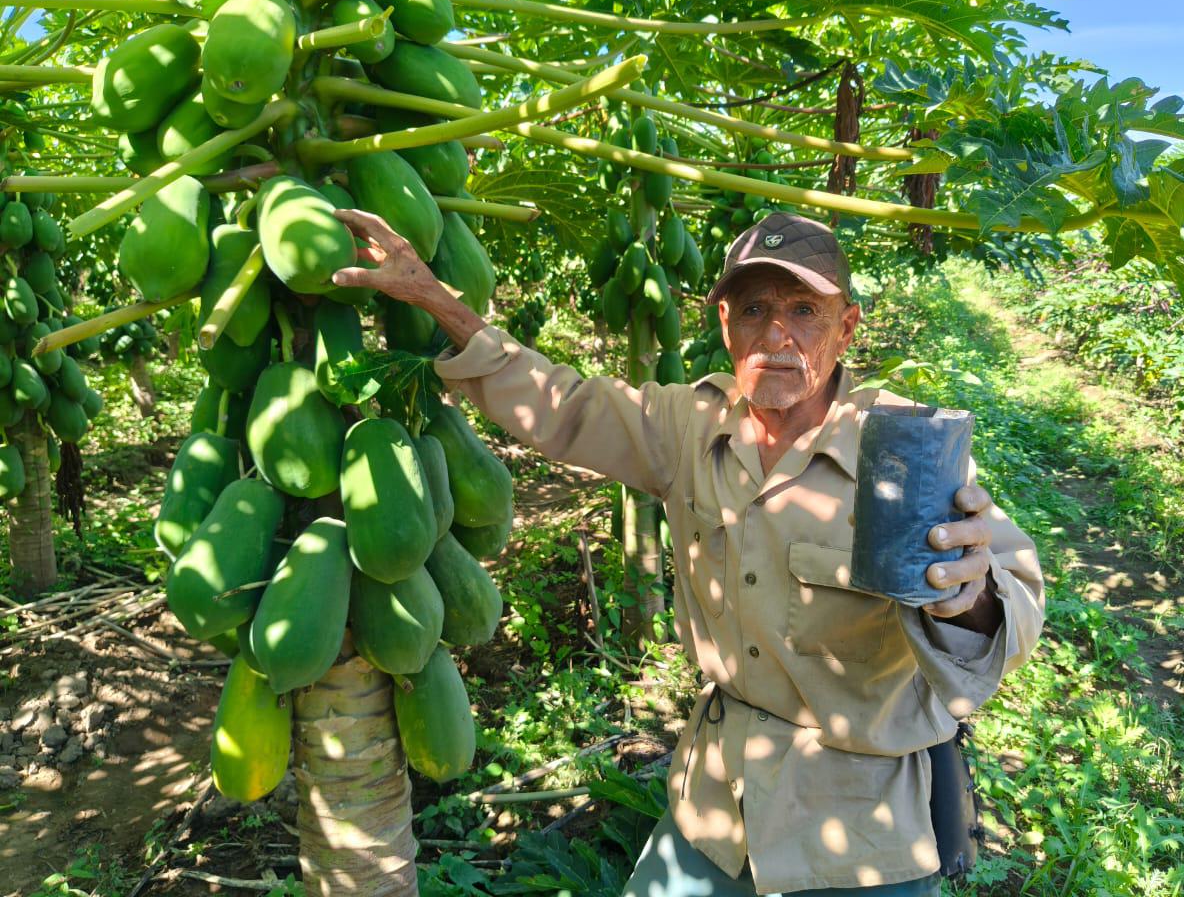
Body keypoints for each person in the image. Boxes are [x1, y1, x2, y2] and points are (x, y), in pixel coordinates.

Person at [331, 208, 1045, 897]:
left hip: (859, 823)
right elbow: (563, 407)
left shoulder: (904, 450)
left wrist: (969, 595)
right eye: (756, 309)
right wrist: (434, 298)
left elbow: (1008, 603)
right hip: (716, 800)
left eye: (804, 311)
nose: (778, 334)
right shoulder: (689, 423)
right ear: (725, 324)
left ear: (846, 328)